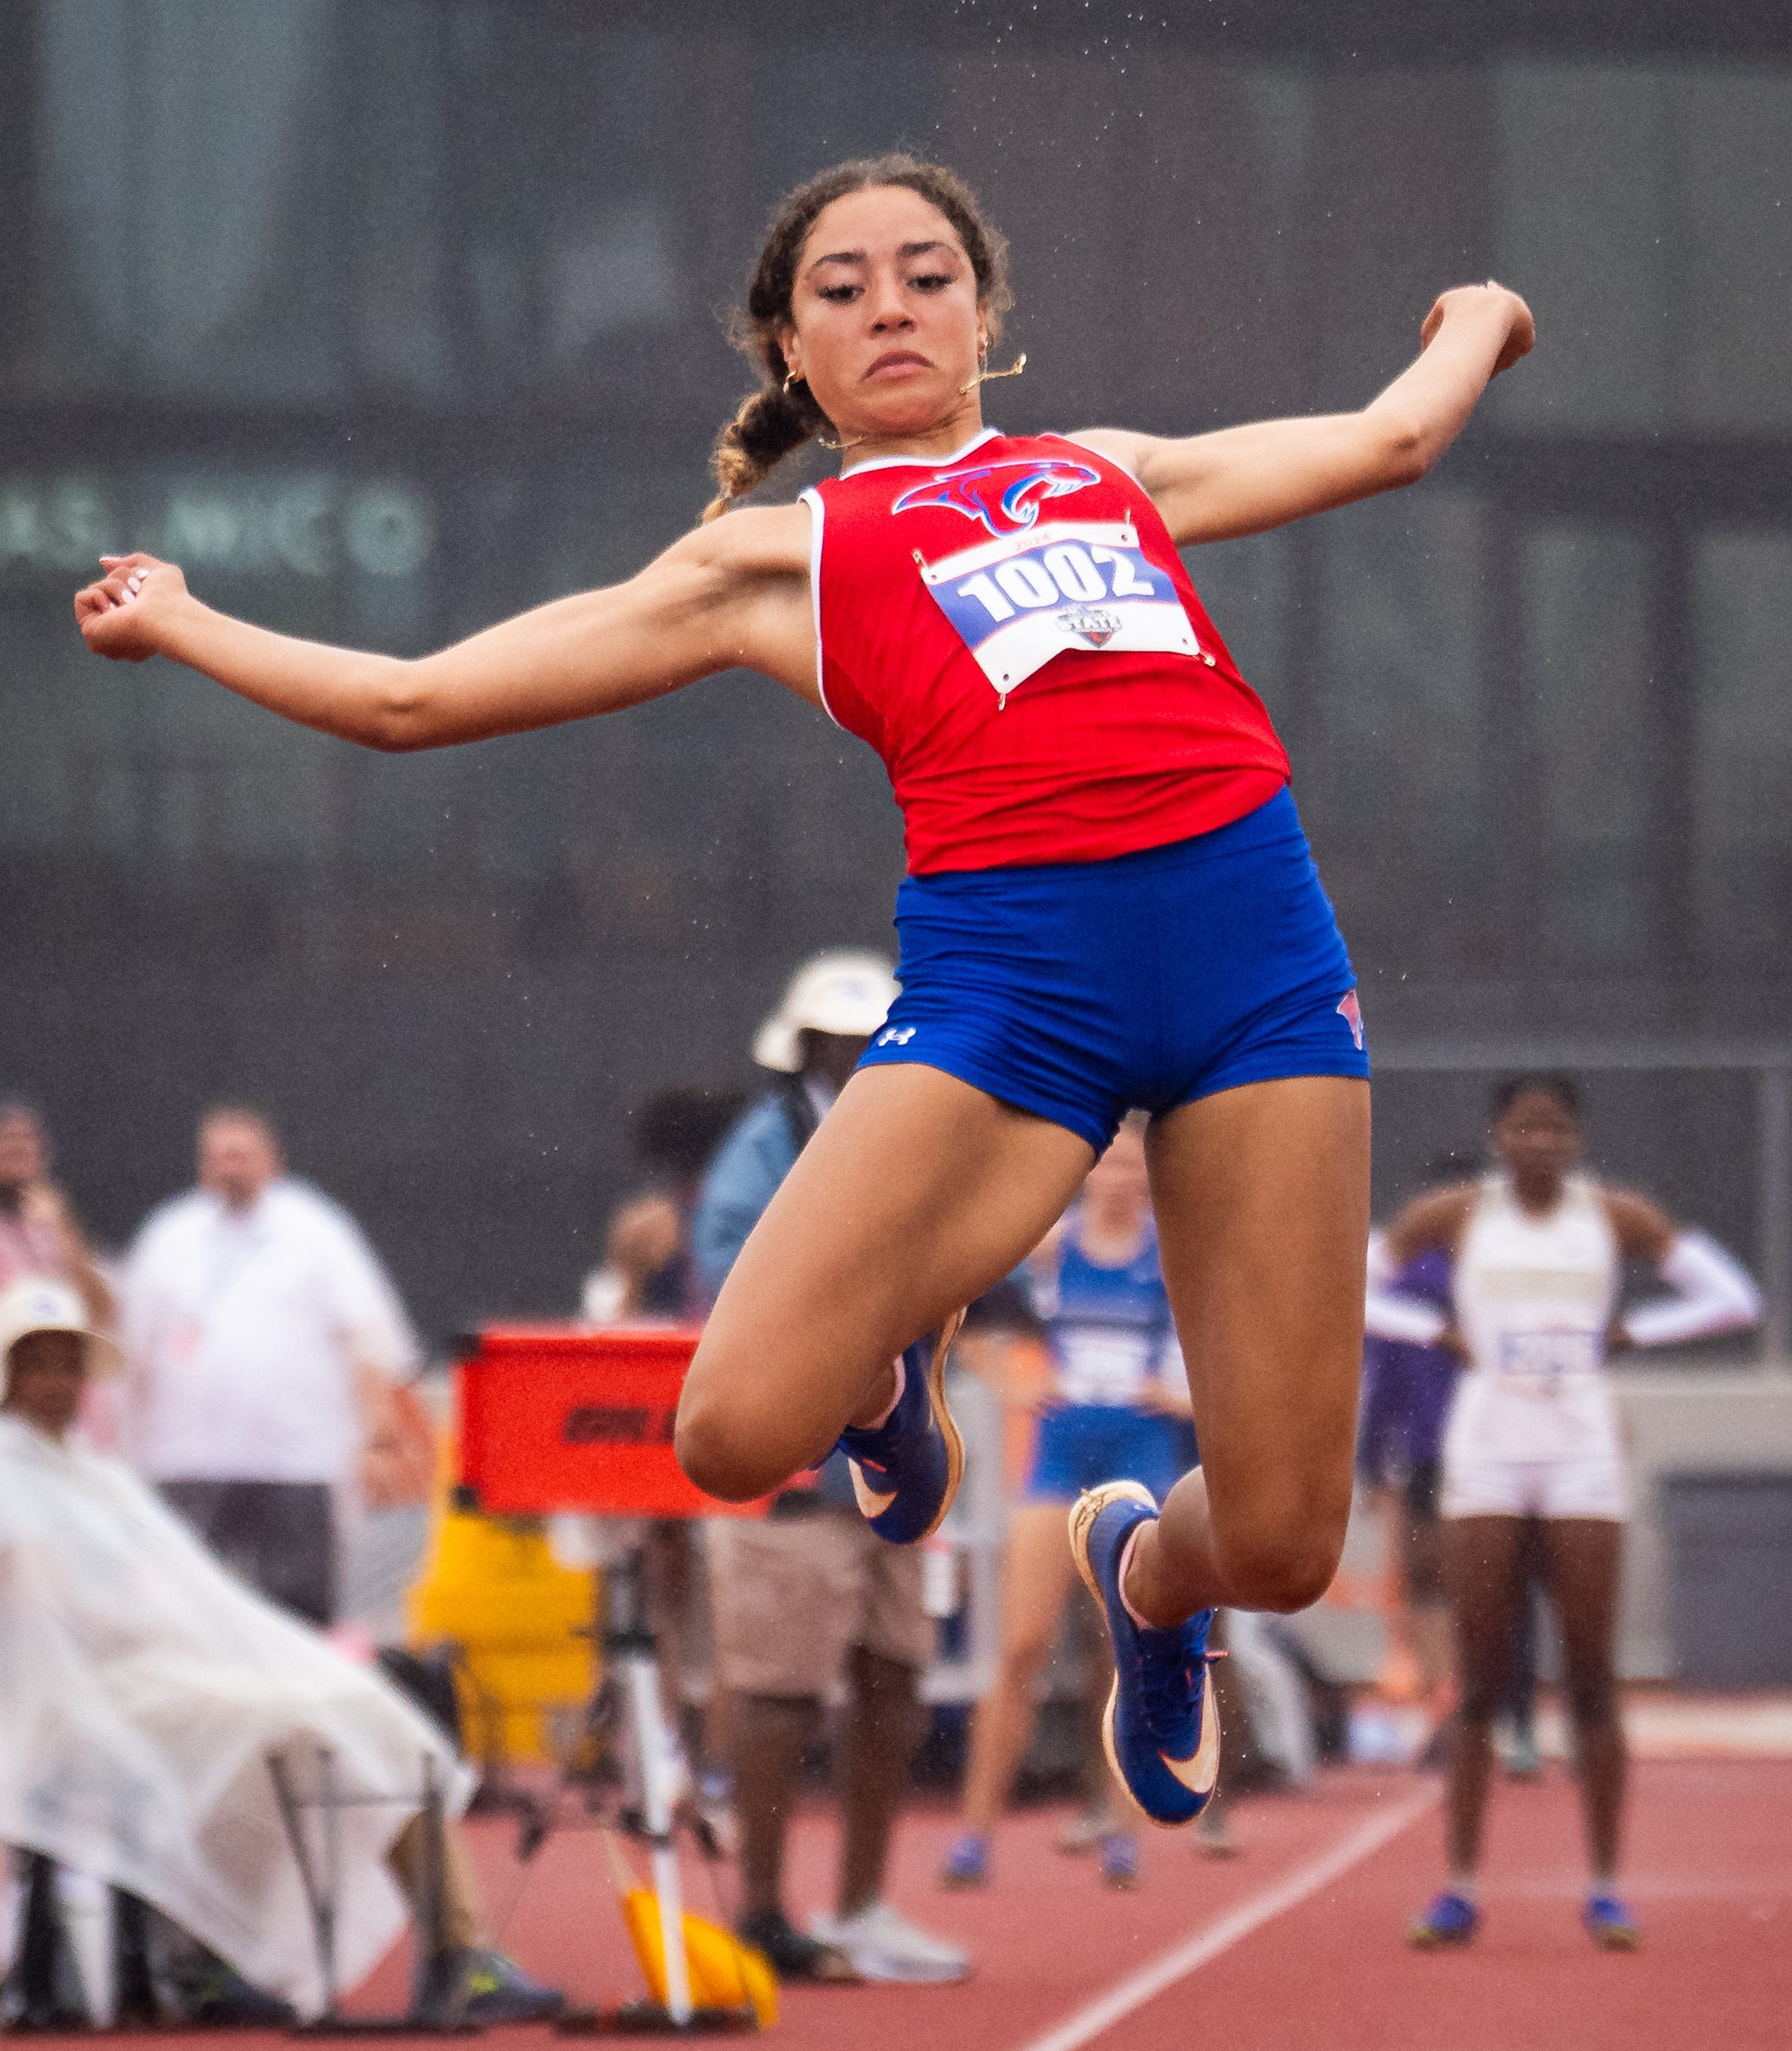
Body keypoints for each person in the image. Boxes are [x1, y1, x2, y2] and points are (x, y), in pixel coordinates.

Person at [75, 152, 1536, 1831]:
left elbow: (1391, 438)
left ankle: (1145, 1577)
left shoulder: (1105, 469)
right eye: (841, 289)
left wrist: (1477, 326)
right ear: (790, 348)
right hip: (1015, 999)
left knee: (1280, 1543)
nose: (892, 305)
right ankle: (876, 1375)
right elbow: (414, 699)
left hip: (1257, 973)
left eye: (926, 272)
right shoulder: (777, 559)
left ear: (987, 311)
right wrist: (182, 620)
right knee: (727, 1428)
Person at [0, 1278, 560, 2026]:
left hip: (151, 1680)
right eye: (34, 1362)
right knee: (322, 1723)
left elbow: (178, 1597)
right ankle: (237, 1958)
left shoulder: (94, 1475)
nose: (54, 1381)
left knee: (366, 1713)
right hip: (70, 1705)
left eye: (67, 1362)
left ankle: (457, 1951)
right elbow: (59, 1620)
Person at [1377, 1076, 1761, 1952]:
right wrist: (1433, 1331)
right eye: (1522, 1126)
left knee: (1589, 1674)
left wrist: (1632, 1333)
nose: (1538, 1141)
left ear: (1576, 1137)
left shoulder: (1613, 1215)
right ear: (1496, 1136)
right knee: (1478, 1680)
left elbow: (1734, 1298)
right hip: (1487, 1454)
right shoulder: (1456, 1213)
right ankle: (1460, 1886)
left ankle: (1604, 1886)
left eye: (1554, 1127)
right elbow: (1354, 1284)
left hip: (1579, 1452)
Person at [695, 952, 970, 1985]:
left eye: (872, 1036)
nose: (858, 1053)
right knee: (778, 1691)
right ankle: (763, 1911)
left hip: (898, 1461)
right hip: (796, 1472)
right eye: (839, 1040)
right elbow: (731, 1277)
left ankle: (862, 1906)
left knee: (896, 1676)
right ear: (806, 1047)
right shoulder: (762, 1150)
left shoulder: (919, 1135)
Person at [941, 1117, 1191, 1892]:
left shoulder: (1174, 1254)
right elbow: (960, 1305)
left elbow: (1229, 1347)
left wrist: (1182, 1399)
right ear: (1085, 1170)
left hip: (1139, 1457)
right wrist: (1007, 1380)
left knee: (1126, 1652)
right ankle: (974, 1834)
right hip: (1057, 1459)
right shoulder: (1049, 1247)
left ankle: (1121, 1829)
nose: (1118, 1178)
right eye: (1106, 1163)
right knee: (1018, 1647)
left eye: (1131, 1166)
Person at [118, 1105, 419, 1627]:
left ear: (272, 1162)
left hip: (297, 1467)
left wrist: (380, 1440)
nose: (231, 1167)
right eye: (219, 1157)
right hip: (187, 1465)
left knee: (299, 1617)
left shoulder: (318, 1232)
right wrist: (126, 1459)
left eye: (243, 1155)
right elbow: (128, 1356)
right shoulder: (169, 1237)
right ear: (202, 1166)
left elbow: (369, 1345)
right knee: (186, 1615)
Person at [0, 1101, 113, 1326]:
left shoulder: (53, 1219)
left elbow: (102, 1310)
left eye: (27, 1138)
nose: (19, 1148)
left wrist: (62, 1229)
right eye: (8, 1138)